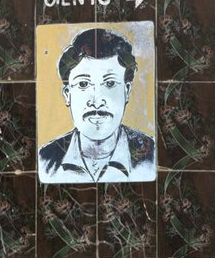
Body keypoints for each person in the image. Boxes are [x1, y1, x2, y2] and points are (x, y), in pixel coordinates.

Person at [39, 27, 156, 183]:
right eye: (83, 84)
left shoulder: (152, 156)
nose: (96, 101)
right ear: (67, 94)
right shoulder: (45, 161)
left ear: (126, 91)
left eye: (110, 83)